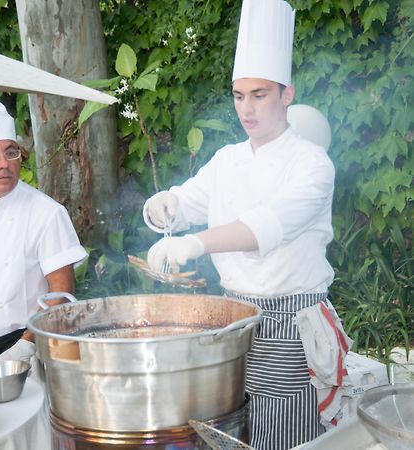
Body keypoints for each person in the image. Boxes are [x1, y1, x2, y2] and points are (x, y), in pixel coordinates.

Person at [142, 1, 341, 449]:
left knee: (282, 437)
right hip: (233, 319)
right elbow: (187, 201)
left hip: (290, 325)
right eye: (238, 96)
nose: (246, 109)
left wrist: (194, 244)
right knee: (228, 431)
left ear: (287, 94)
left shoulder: (312, 164)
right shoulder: (228, 159)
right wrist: (164, 206)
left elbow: (263, 228)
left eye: (259, 95)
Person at [0, 96, 87, 367]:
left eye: (11, 152)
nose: (4, 164)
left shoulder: (45, 212)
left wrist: (25, 346)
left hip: (23, 345)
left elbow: (62, 293)